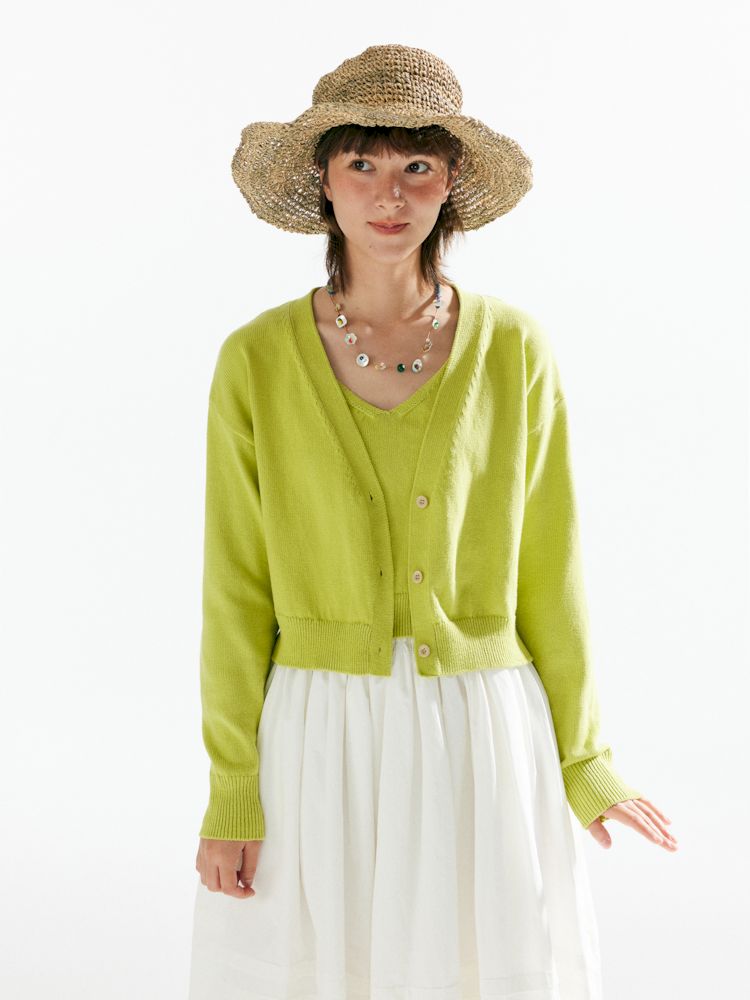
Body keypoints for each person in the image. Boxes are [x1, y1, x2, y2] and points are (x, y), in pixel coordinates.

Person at [189, 43, 677, 1000]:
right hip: (318, 731)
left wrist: (584, 759)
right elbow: (235, 587)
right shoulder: (256, 359)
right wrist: (233, 785)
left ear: (450, 183)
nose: (390, 194)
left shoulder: (516, 350)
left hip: (481, 728)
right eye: (362, 163)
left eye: (417, 164)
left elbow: (552, 569)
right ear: (324, 182)